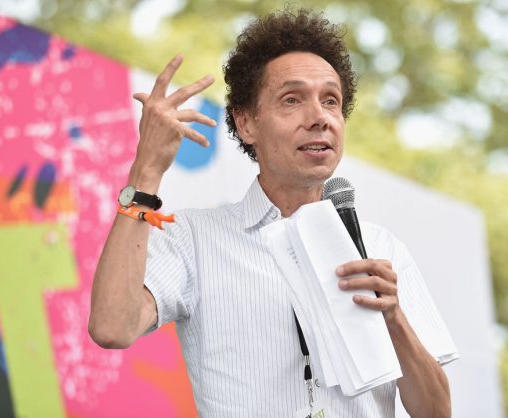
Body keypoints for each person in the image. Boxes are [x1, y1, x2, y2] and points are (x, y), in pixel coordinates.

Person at [89, 8, 453, 418]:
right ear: (246, 123)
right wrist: (146, 172)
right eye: (292, 100)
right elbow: (112, 327)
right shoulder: (194, 237)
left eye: (331, 101)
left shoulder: (382, 248)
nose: (319, 118)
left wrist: (394, 318)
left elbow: (436, 412)